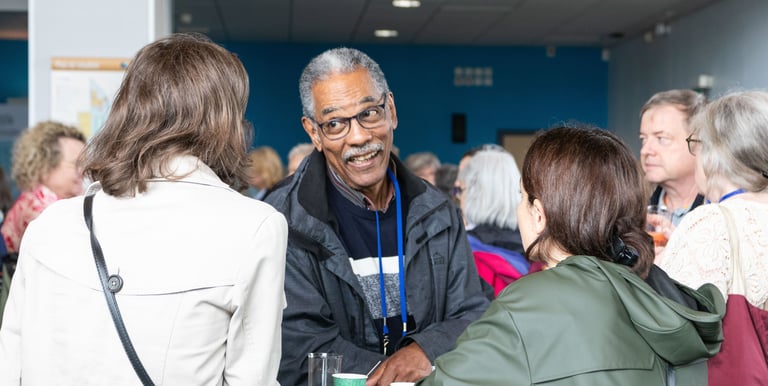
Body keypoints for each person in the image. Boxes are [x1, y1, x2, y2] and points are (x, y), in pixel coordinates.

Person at [0, 33, 288, 385]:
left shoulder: (50, 225)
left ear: (126, 110)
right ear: (226, 120)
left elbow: (9, 367)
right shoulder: (256, 228)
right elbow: (252, 378)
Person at [419, 126, 724, 386]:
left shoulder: (529, 303)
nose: (518, 209)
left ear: (539, 214)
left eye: (522, 197)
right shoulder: (665, 291)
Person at [264, 47, 489, 386]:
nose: (359, 137)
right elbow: (301, 347)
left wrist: (424, 351)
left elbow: (472, 313)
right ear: (314, 133)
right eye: (335, 124)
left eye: (369, 113)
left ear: (391, 111)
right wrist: (399, 373)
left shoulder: (438, 211)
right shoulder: (285, 221)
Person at [658, 90, 768, 312]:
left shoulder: (711, 222)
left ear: (713, 155)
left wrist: (655, 268)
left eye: (696, 145)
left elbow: (671, 317)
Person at [455, 149, 535, 299]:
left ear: (475, 193)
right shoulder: (536, 245)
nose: (459, 197)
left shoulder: (462, 249)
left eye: (460, 189)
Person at [1, 121, 86, 256]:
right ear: (45, 165)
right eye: (75, 164)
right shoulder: (41, 208)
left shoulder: (31, 198)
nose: (83, 171)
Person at [639, 89, 707, 226]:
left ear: (698, 143)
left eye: (661, 139)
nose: (645, 150)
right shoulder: (634, 212)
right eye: (643, 139)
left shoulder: (723, 214)